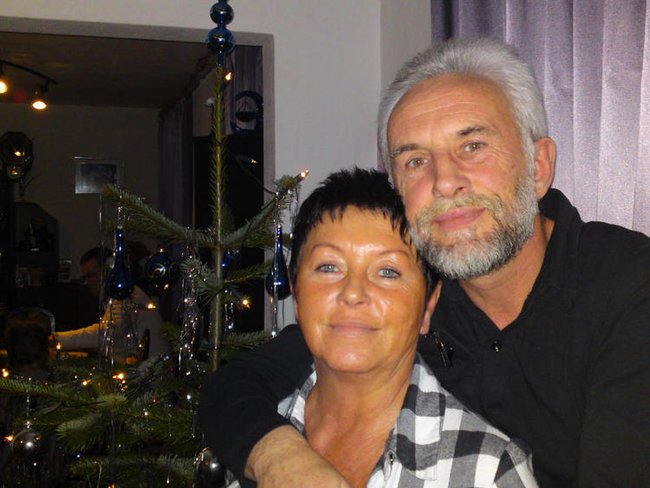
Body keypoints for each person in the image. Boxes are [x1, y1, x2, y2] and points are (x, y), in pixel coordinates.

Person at [199, 38, 650, 488]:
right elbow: (236, 387)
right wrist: (283, 459)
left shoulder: (630, 285)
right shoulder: (411, 293)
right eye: (415, 160)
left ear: (538, 167)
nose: (444, 181)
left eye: (473, 146)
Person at [227, 168, 538, 487]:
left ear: (428, 305)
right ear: (296, 291)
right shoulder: (254, 448)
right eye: (329, 267)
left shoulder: (488, 472)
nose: (353, 293)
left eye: (387, 272)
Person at [55, 247, 168, 361]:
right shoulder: (120, 294)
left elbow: (108, 333)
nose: (86, 282)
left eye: (91, 276)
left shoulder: (124, 294)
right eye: (84, 278)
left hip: (152, 368)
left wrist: (56, 339)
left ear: (108, 272)